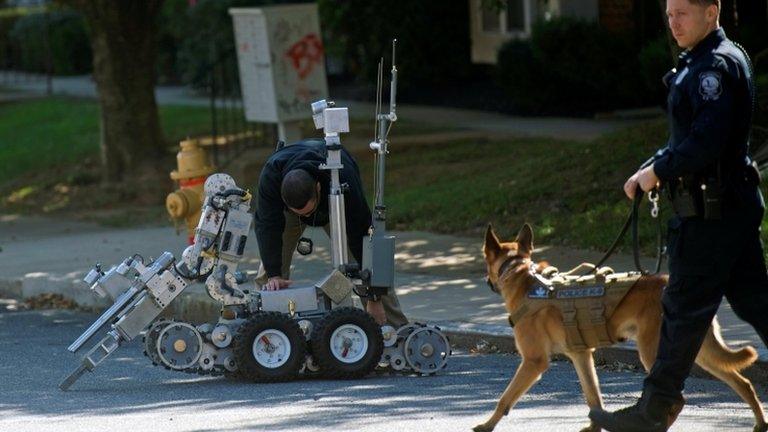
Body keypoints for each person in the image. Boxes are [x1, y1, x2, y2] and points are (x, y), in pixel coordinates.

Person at [589, 1, 768, 431]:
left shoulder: (715, 68)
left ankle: (655, 411)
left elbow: (706, 140)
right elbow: (687, 137)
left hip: (711, 215)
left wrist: (659, 171)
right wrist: (650, 167)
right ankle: (656, 407)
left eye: (683, 12)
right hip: (725, 210)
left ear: (712, 11)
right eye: (669, 13)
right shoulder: (703, 61)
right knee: (755, 302)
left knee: (681, 309)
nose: (673, 22)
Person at [253, 138, 408, 327]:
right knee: (268, 277)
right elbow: (267, 227)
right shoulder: (271, 175)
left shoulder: (343, 173)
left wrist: (374, 297)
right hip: (289, 213)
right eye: (301, 213)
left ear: (317, 187)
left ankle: (396, 331)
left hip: (336, 203)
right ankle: (264, 331)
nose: (307, 217)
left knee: (363, 265)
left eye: (308, 212)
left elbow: (362, 238)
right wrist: (274, 274)